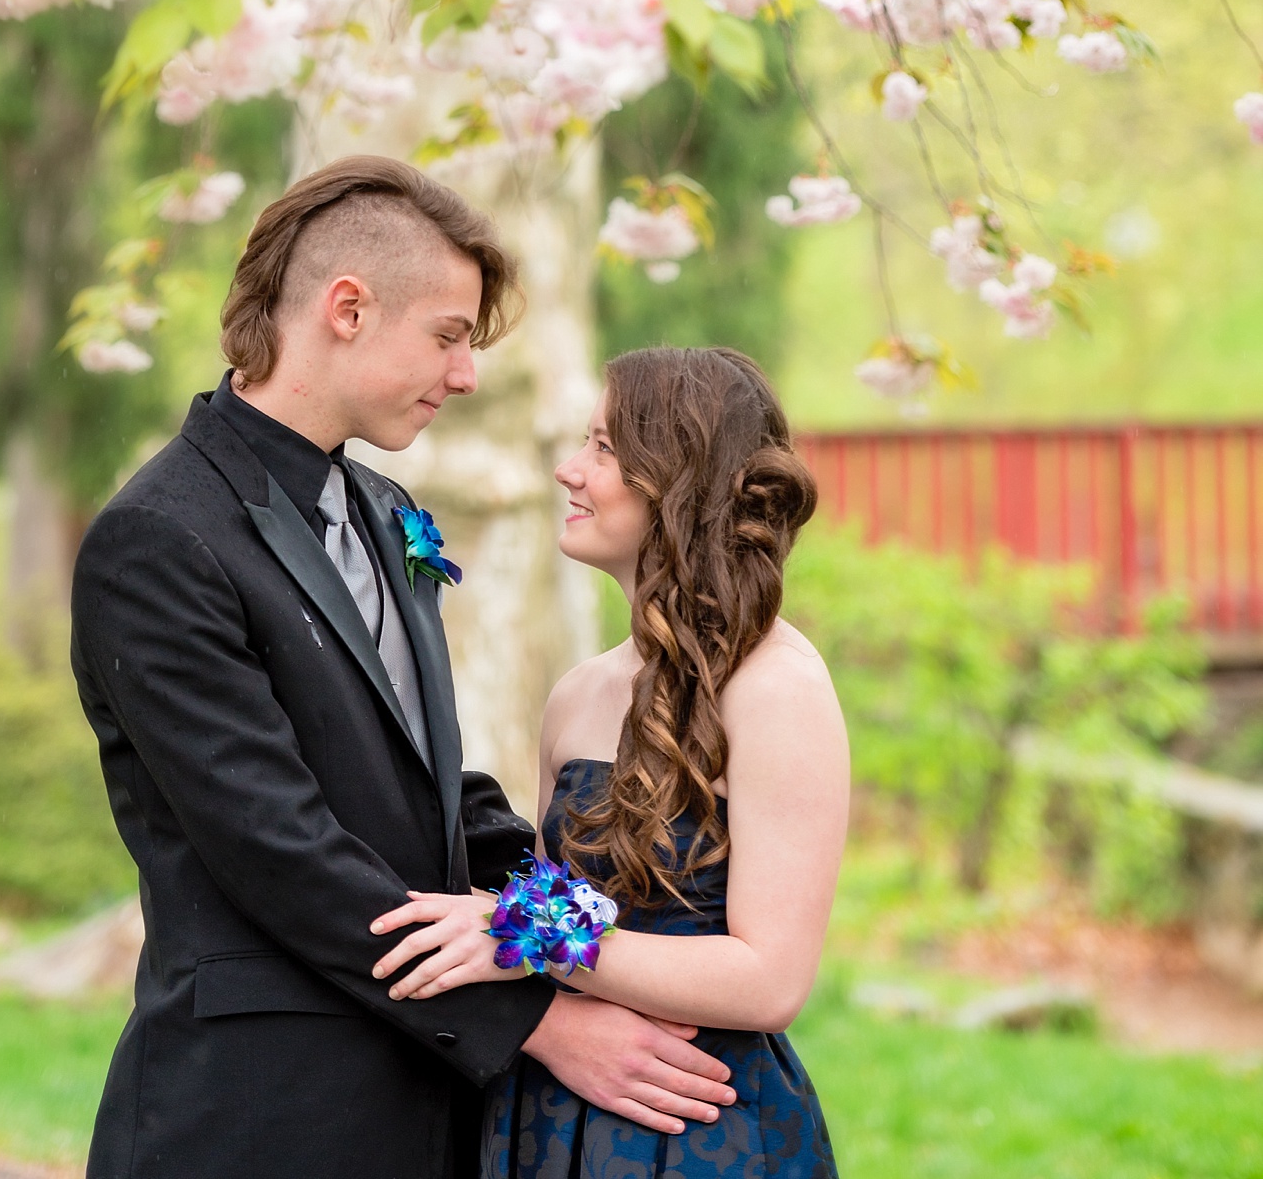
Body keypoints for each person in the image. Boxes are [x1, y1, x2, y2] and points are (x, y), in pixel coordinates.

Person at [71, 158, 735, 1179]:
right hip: (259, 1114)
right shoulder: (160, 541)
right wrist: (538, 1018)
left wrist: (584, 923)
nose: (465, 374)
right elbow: (277, 844)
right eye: (448, 336)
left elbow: (426, 788)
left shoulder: (383, 513)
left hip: (424, 1109)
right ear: (346, 308)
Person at [368, 344, 849, 1179]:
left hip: (697, 1123)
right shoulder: (577, 695)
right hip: (549, 1112)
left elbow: (770, 977)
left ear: (681, 479)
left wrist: (521, 931)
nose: (567, 470)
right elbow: (562, 909)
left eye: (602, 448)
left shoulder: (778, 686)